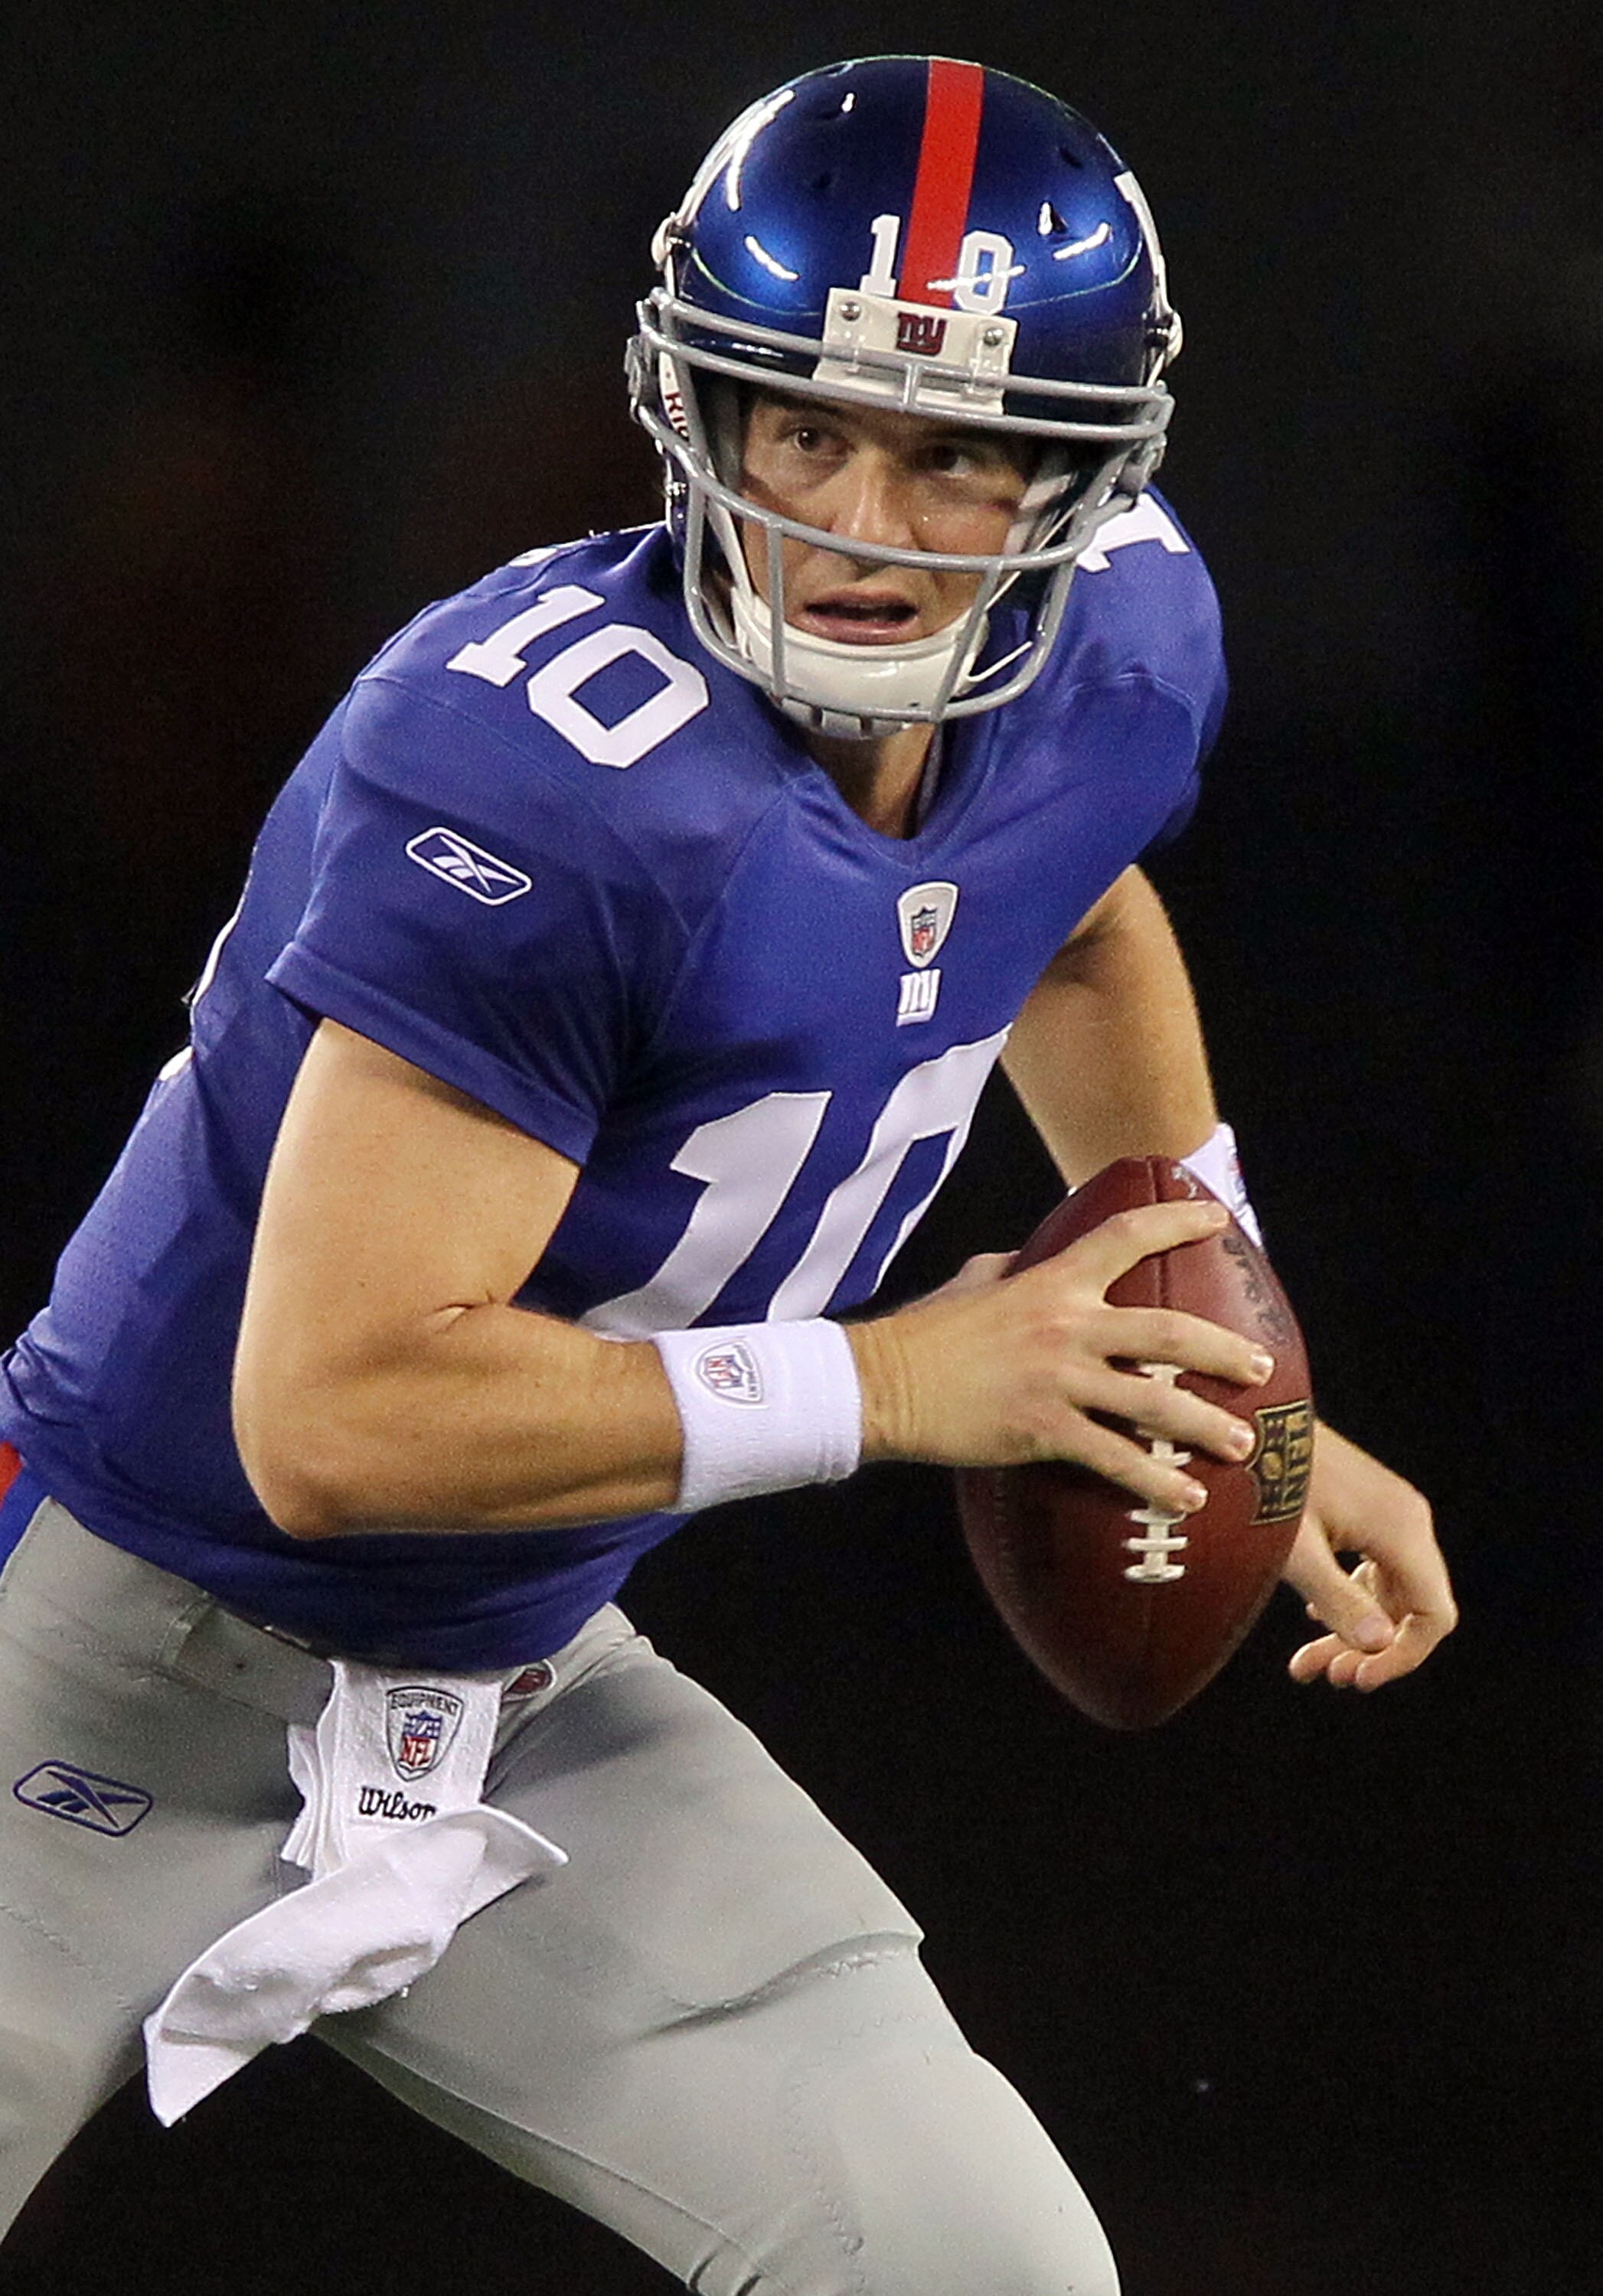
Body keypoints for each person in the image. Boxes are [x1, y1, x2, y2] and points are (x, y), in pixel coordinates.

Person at [0, 54, 1454, 2294]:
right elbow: (335, 1419)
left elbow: (1065, 911)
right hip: (102, 1659)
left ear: (1083, 472)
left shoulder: (1118, 652)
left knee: (990, 2271)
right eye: (806, 429)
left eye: (956, 448)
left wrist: (1231, 1360)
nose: (860, 519)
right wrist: (894, 1384)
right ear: (699, 409)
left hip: (513, 1696)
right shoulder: (543, 771)